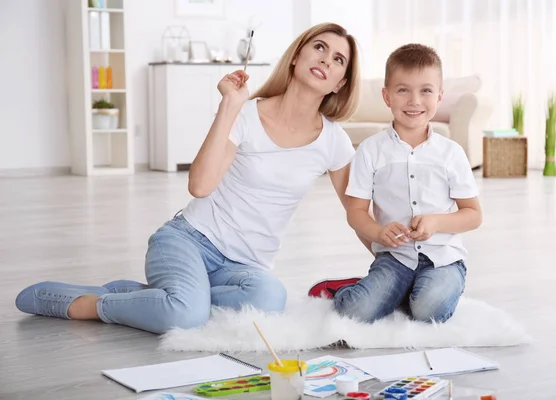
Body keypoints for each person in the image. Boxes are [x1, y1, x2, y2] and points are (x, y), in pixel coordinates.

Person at [15, 23, 366, 334]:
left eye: (338, 60)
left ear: (341, 83)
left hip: (244, 268)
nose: (326, 60)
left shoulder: (332, 141)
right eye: (319, 47)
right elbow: (199, 186)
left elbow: (359, 212)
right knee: (184, 317)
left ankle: (161, 299)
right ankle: (88, 305)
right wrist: (229, 105)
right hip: (189, 242)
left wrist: (397, 263)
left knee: (270, 298)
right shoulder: (245, 114)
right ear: (296, 56)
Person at [308, 44, 482, 324]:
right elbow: (356, 212)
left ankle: (408, 293)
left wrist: (436, 223)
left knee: (429, 310)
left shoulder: (452, 153)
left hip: (443, 259)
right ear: (387, 96)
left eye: (425, 90)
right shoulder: (370, 150)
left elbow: (473, 215)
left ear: (439, 96)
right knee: (355, 312)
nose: (414, 100)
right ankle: (359, 289)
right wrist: (378, 232)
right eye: (403, 90)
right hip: (394, 260)